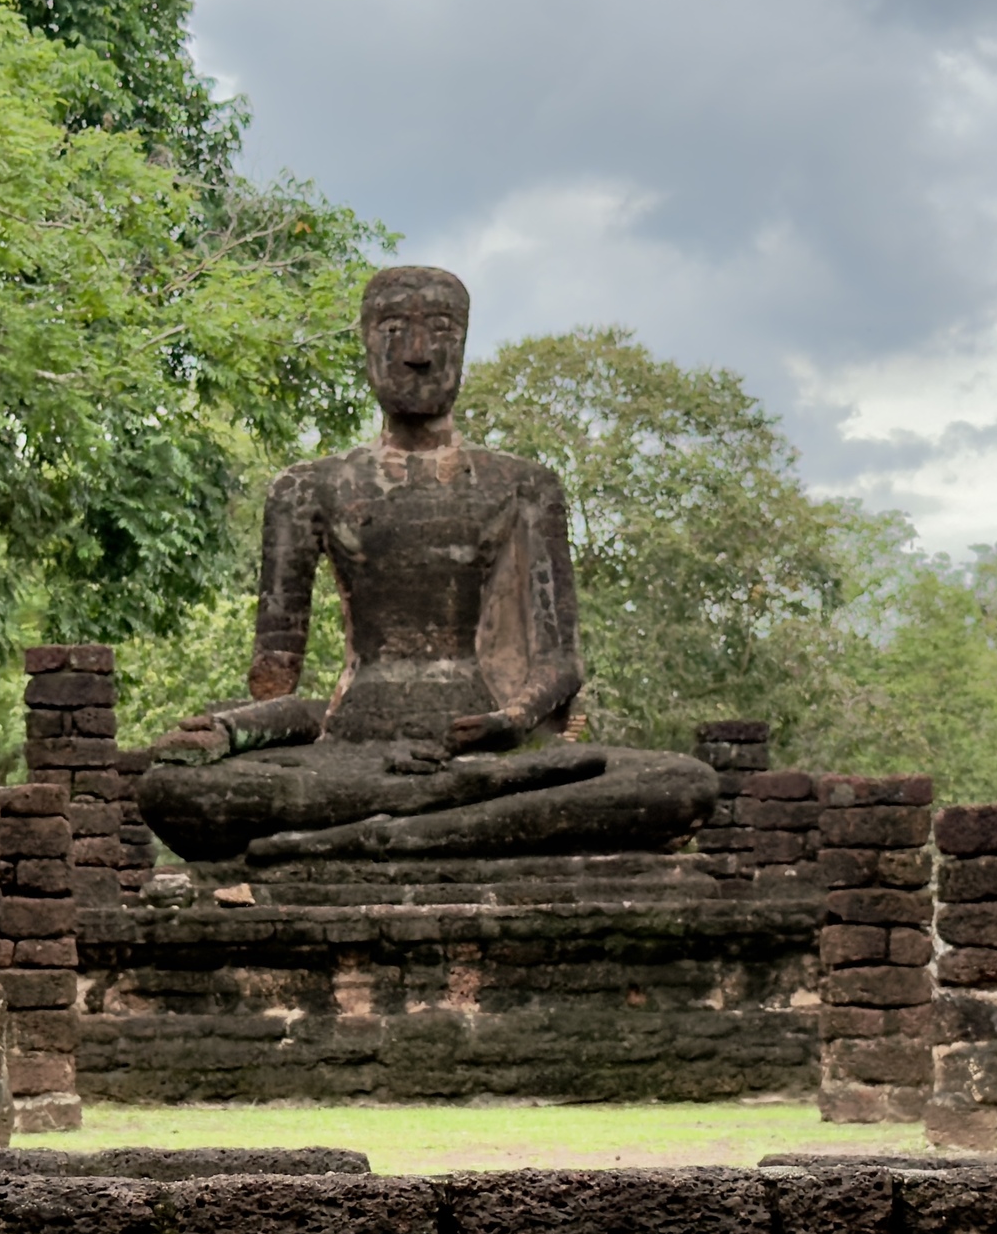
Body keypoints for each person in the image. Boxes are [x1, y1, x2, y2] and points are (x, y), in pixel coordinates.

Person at [136, 265, 722, 867]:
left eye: (440, 330)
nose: (417, 353)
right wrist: (231, 731)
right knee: (172, 791)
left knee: (680, 785)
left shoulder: (523, 485)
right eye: (394, 329)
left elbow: (561, 663)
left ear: (462, 343)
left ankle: (374, 836)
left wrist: (511, 721)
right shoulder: (308, 488)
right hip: (354, 756)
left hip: (483, 754)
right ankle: (450, 821)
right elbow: (279, 687)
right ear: (367, 343)